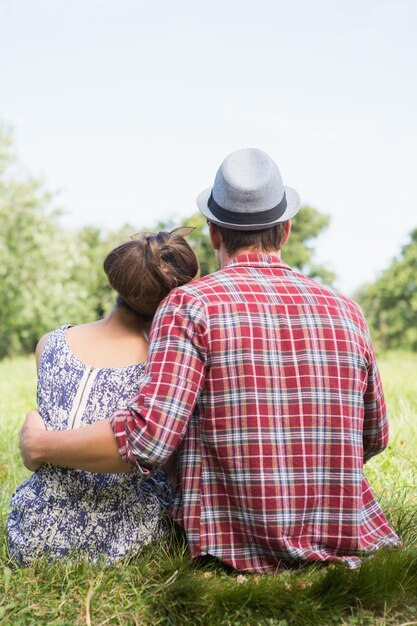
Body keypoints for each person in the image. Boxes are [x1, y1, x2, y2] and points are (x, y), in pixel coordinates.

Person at [19, 148, 401, 573]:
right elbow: (375, 436)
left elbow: (150, 441)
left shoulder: (190, 305)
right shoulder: (347, 310)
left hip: (233, 544)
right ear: (286, 229)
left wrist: (42, 443)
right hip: (345, 533)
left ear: (215, 234)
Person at [9, 229, 199, 565]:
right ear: (175, 297)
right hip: (122, 540)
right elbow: (164, 458)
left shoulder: (49, 344)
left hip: (35, 533)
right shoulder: (160, 364)